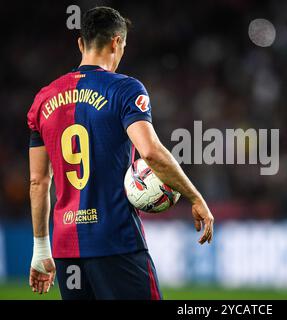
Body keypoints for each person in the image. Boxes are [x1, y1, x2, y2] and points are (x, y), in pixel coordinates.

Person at [27, 6, 214, 300]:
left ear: (81, 43)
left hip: (66, 249)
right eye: (123, 45)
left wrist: (41, 249)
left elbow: (38, 182)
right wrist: (195, 196)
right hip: (115, 241)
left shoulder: (44, 98)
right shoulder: (125, 89)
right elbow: (150, 152)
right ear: (117, 42)